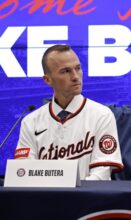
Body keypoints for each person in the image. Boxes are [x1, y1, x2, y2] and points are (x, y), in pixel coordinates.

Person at [14, 44, 123, 180]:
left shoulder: (102, 115)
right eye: (65, 71)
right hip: (43, 199)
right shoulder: (30, 121)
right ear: (48, 80)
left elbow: (101, 175)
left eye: (78, 68)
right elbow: (23, 173)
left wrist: (70, 193)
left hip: (86, 200)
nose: (76, 76)